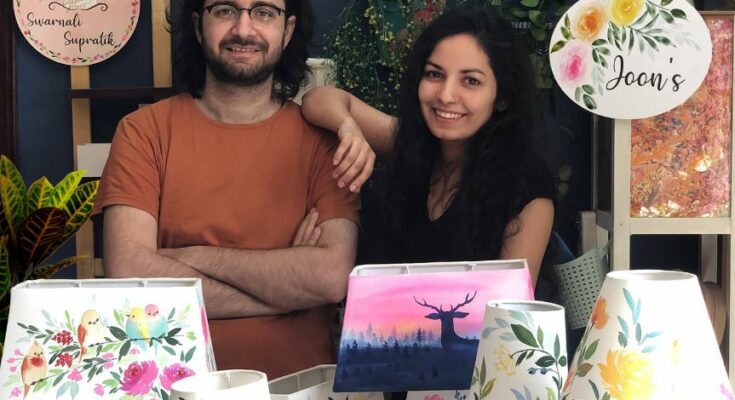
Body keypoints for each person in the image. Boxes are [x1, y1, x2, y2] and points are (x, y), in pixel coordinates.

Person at [94, 0, 359, 378]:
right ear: (198, 26)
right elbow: (129, 273)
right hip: (172, 387)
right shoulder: (143, 132)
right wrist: (283, 295)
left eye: (264, 12)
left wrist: (189, 257)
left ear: (287, 30)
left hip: (298, 387)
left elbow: (330, 276)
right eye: (225, 10)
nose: (244, 29)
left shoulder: (324, 142)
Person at [302, 7, 554, 284]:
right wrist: (348, 127)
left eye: (471, 81)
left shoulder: (527, 187)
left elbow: (510, 306)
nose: (445, 95)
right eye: (435, 74)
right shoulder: (412, 143)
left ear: (502, 97)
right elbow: (316, 100)